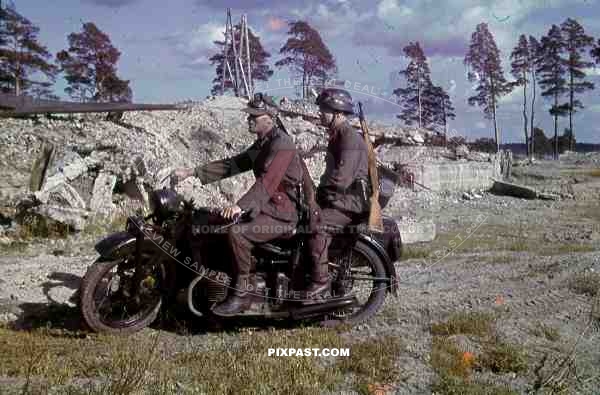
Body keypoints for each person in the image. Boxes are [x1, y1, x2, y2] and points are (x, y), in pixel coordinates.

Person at [171, 93, 303, 316]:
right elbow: (232, 164)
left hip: (282, 212)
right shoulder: (264, 143)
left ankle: (241, 294)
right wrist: (192, 172)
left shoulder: (283, 144)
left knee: (237, 232)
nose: (249, 119)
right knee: (207, 220)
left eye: (254, 116)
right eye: (248, 115)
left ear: (270, 117)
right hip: (267, 207)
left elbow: (268, 182)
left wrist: (239, 206)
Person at [305, 88, 370, 303]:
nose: (320, 114)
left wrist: (320, 195)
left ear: (339, 113)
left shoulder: (349, 138)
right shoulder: (338, 136)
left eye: (325, 110)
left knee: (317, 226)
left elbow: (342, 178)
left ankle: (320, 282)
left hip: (348, 204)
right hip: (340, 200)